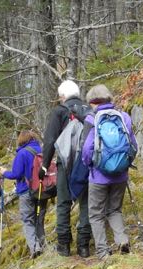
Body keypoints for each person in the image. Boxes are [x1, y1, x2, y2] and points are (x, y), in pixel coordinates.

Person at [81, 84, 137, 260]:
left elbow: (86, 150)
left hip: (98, 177)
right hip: (120, 175)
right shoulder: (123, 117)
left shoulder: (92, 119)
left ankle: (103, 252)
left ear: (92, 102)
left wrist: (89, 165)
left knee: (96, 214)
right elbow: (133, 145)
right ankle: (122, 241)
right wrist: (125, 164)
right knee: (115, 210)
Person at [39, 80, 92, 258]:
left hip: (65, 162)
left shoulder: (60, 111)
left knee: (63, 202)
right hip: (85, 162)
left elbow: (50, 140)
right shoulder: (88, 109)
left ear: (63, 96)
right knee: (86, 202)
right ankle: (84, 245)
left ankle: (64, 245)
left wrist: (45, 165)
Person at [0, 130, 47, 258]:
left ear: (21, 140)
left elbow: (16, 174)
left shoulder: (22, 153)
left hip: (26, 191)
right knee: (39, 219)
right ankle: (43, 245)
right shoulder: (41, 150)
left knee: (28, 220)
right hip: (42, 189)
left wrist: (4, 172)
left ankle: (35, 248)